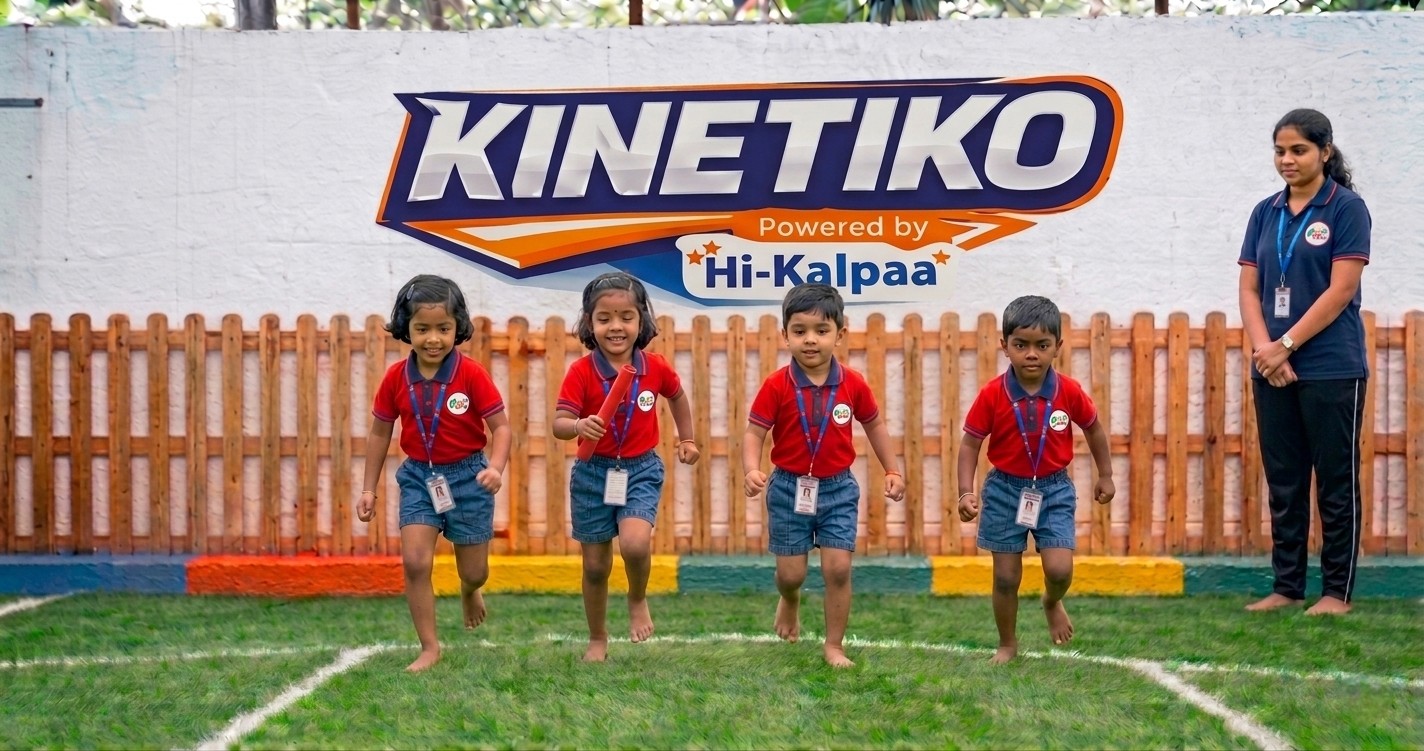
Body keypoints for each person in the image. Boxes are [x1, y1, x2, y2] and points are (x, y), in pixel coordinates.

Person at [1238, 109, 1371, 616]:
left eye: (1298, 150)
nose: (1287, 160)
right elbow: (1249, 289)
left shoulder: (1346, 208)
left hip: (1332, 366)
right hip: (1272, 366)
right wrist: (1265, 351)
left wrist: (1285, 345)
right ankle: (1287, 587)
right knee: (1285, 482)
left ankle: (1336, 593)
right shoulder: (1265, 212)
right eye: (1280, 151)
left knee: (1335, 482)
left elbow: (1341, 291)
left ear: (1325, 152)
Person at [742, 283, 905, 669]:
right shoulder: (776, 385)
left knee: (838, 568)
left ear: (840, 334)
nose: (810, 340)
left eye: (821, 330)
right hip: (787, 489)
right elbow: (754, 432)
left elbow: (875, 425)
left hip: (838, 490)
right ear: (785, 335)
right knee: (791, 574)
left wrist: (893, 469)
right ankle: (790, 599)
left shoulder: (853, 383)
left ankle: (834, 645)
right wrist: (751, 467)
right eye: (799, 331)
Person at [356, 274, 511, 672]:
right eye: (422, 328)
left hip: (469, 478)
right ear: (405, 328)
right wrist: (368, 489)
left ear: (457, 327)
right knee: (415, 561)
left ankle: (469, 590)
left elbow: (502, 429)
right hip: (418, 479)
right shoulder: (395, 378)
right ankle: (429, 647)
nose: (433, 339)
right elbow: (379, 433)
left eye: (443, 328)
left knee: (474, 571)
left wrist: (495, 467)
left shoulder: (471, 374)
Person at [957, 295, 1114, 664]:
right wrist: (965, 492)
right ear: (1005, 345)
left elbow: (1093, 429)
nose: (1031, 354)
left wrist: (1106, 474)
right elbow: (970, 444)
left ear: (1057, 346)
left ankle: (1051, 600)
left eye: (1042, 345)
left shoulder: (1068, 391)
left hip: (1054, 489)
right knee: (1006, 577)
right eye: (1021, 345)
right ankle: (1007, 644)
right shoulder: (992, 394)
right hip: (1004, 491)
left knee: (1059, 569)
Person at [552, 271, 700, 662]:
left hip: (640, 469)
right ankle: (597, 637)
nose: (616, 326)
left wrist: (686, 439)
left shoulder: (656, 367)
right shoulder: (581, 372)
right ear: (590, 324)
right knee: (595, 565)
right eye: (604, 318)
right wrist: (578, 426)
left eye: (626, 317)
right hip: (592, 474)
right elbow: (559, 423)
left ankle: (637, 598)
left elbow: (677, 397)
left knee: (634, 543)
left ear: (641, 321)